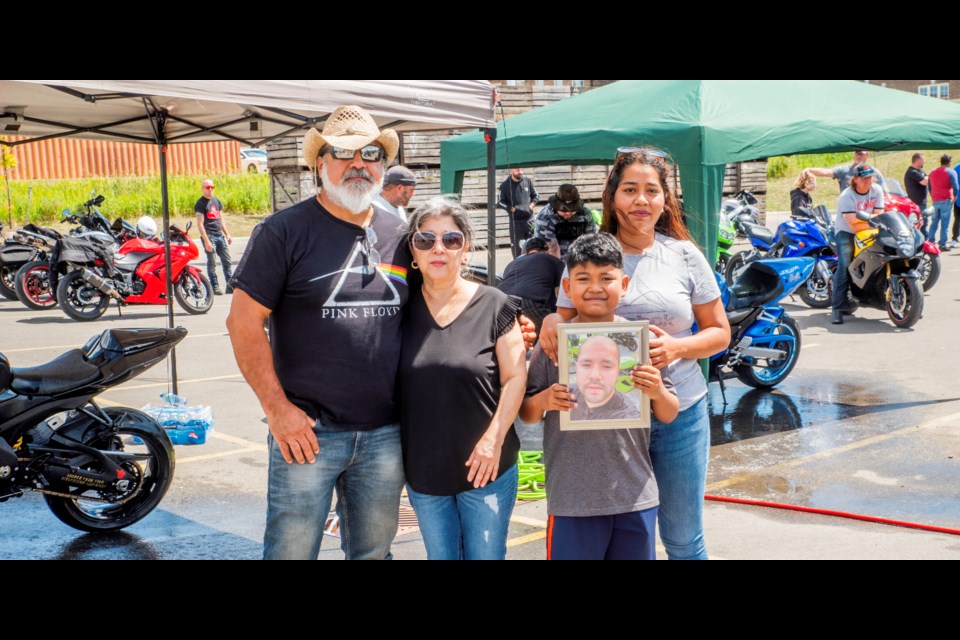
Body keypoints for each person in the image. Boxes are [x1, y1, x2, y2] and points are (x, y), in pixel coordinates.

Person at [226, 105, 409, 560]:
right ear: (318, 164)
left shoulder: (401, 233)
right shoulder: (283, 231)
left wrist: (508, 325)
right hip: (307, 431)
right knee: (291, 553)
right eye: (342, 153)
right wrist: (277, 410)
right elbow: (243, 323)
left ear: (382, 165)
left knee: (374, 553)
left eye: (370, 153)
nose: (358, 164)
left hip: (386, 434)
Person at [538, 147, 730, 560]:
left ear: (665, 199)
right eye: (630, 190)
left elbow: (719, 333)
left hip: (679, 411)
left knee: (683, 538)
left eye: (651, 191)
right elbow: (564, 319)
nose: (641, 201)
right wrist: (551, 322)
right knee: (615, 533)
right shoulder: (591, 254)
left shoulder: (684, 254)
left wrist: (677, 346)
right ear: (612, 196)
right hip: (607, 424)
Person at [521, 232, 678, 560]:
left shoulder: (642, 341)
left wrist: (657, 389)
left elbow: (669, 412)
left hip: (635, 495)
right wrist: (545, 400)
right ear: (567, 288)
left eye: (605, 278)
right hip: (572, 500)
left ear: (623, 284)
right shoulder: (553, 345)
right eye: (583, 278)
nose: (594, 287)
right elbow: (527, 412)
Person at [399, 197, 527, 560]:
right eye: (425, 240)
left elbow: (516, 375)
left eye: (451, 240)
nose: (438, 248)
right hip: (424, 471)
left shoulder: (495, 303)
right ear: (413, 249)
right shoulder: (397, 310)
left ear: (466, 248)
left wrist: (493, 440)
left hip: (487, 467)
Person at [832, 163, 885, 325]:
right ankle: (837, 308)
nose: (868, 181)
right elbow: (852, 224)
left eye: (870, 177)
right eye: (864, 178)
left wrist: (875, 223)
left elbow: (880, 214)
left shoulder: (877, 190)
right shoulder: (846, 196)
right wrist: (874, 223)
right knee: (845, 264)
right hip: (846, 232)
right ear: (855, 179)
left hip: (869, 229)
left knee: (882, 256)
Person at [497, 237, 564, 337]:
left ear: (526, 252)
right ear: (547, 251)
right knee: (551, 338)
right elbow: (565, 286)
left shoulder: (512, 263)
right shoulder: (550, 259)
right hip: (530, 301)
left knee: (512, 341)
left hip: (501, 302)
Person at [569, 335, 640, 421]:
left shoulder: (628, 415)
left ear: (617, 372)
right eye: (586, 365)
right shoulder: (568, 393)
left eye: (606, 367)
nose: (595, 375)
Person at [532, 183, 598, 256]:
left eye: (572, 210)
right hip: (554, 259)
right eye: (564, 210)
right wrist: (558, 266)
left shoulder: (585, 213)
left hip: (580, 259)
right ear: (556, 206)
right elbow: (550, 249)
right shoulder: (544, 218)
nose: (568, 213)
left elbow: (591, 241)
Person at [194, 179, 234, 295]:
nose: (210, 189)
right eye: (207, 187)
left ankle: (230, 285)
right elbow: (200, 223)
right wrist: (206, 240)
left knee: (227, 261)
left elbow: (221, 220)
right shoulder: (200, 203)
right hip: (210, 236)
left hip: (219, 236)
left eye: (212, 187)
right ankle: (214, 286)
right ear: (203, 189)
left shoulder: (216, 201)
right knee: (212, 262)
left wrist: (227, 234)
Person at [498, 167, 539, 258]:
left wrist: (532, 205)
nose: (520, 172)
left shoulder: (528, 181)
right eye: (517, 170)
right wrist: (511, 208)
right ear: (511, 171)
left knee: (534, 246)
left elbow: (536, 196)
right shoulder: (505, 185)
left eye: (521, 170)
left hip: (530, 220)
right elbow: (500, 202)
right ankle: (518, 268)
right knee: (518, 249)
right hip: (516, 223)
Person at [804, 150, 886, 192]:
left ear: (867, 155)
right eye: (857, 153)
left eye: (861, 154)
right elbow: (826, 172)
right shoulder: (844, 170)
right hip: (848, 207)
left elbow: (884, 191)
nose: (859, 156)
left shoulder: (874, 172)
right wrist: (809, 169)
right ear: (854, 154)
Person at [927, 154, 958, 251]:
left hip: (936, 199)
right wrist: (955, 196)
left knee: (934, 221)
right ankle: (942, 243)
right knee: (945, 223)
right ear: (949, 162)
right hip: (946, 199)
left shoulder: (932, 172)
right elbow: (956, 186)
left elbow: (929, 186)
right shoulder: (950, 172)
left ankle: (930, 241)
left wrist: (933, 196)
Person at [904, 153, 929, 237]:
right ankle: (923, 242)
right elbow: (925, 181)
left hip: (922, 202)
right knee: (920, 224)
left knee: (924, 223)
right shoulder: (912, 172)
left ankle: (925, 240)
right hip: (916, 203)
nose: (924, 162)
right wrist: (928, 177)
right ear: (918, 160)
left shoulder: (920, 171)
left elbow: (927, 178)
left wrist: (928, 177)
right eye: (923, 160)